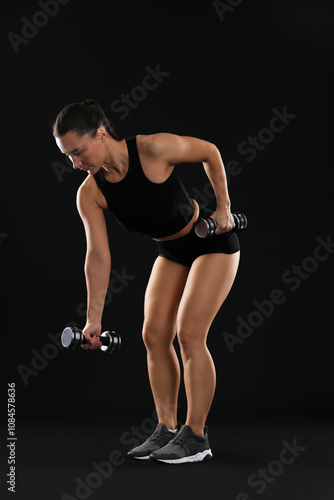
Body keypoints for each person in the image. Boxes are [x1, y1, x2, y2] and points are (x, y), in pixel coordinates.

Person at [53, 98, 241, 464]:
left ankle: (197, 437)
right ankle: (166, 429)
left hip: (211, 242)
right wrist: (93, 319)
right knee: (153, 334)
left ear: (102, 134)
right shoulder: (90, 193)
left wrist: (224, 209)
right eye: (67, 156)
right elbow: (98, 255)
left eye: (78, 151)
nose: (74, 163)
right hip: (170, 252)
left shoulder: (154, 148)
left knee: (189, 333)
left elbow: (210, 151)